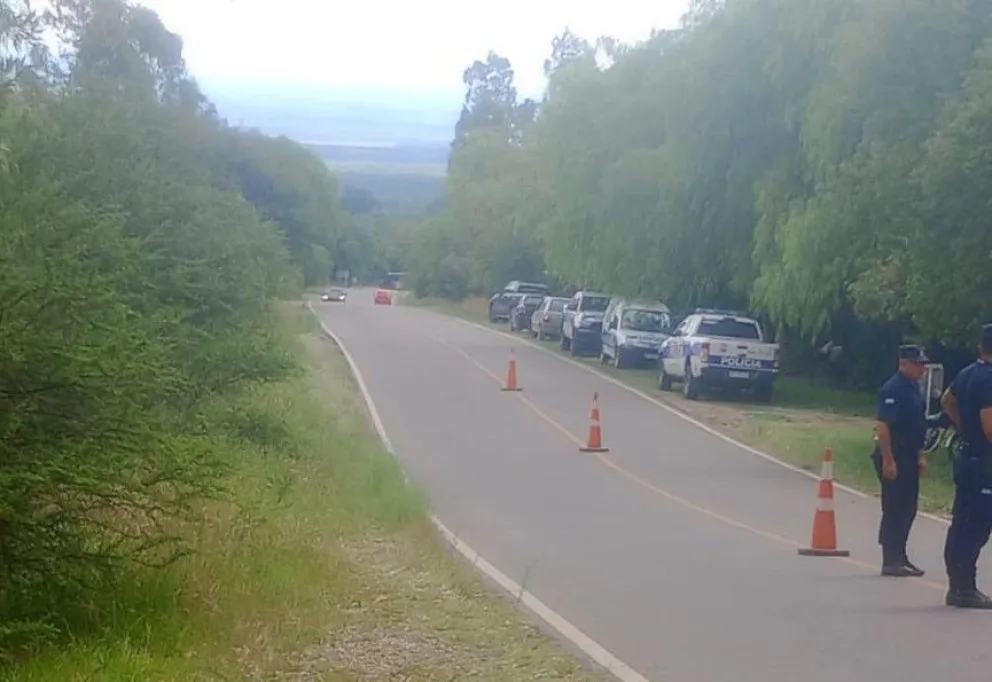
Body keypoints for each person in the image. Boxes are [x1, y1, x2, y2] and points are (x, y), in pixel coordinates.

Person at [941, 323, 992, 608]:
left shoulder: (969, 372)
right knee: (977, 525)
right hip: (984, 462)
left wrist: (964, 427)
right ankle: (964, 587)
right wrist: (975, 429)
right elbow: (990, 428)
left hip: (968, 456)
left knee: (962, 521)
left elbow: (947, 400)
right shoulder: (989, 379)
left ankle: (957, 585)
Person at [872, 344, 929, 577]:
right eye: (917, 364)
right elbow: (883, 426)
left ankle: (901, 555)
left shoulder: (913, 387)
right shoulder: (892, 389)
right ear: (903, 363)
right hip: (893, 454)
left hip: (909, 455)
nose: (922, 369)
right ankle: (890, 558)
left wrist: (920, 455)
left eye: (923, 364)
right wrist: (888, 459)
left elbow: (917, 426)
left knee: (909, 507)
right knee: (894, 507)